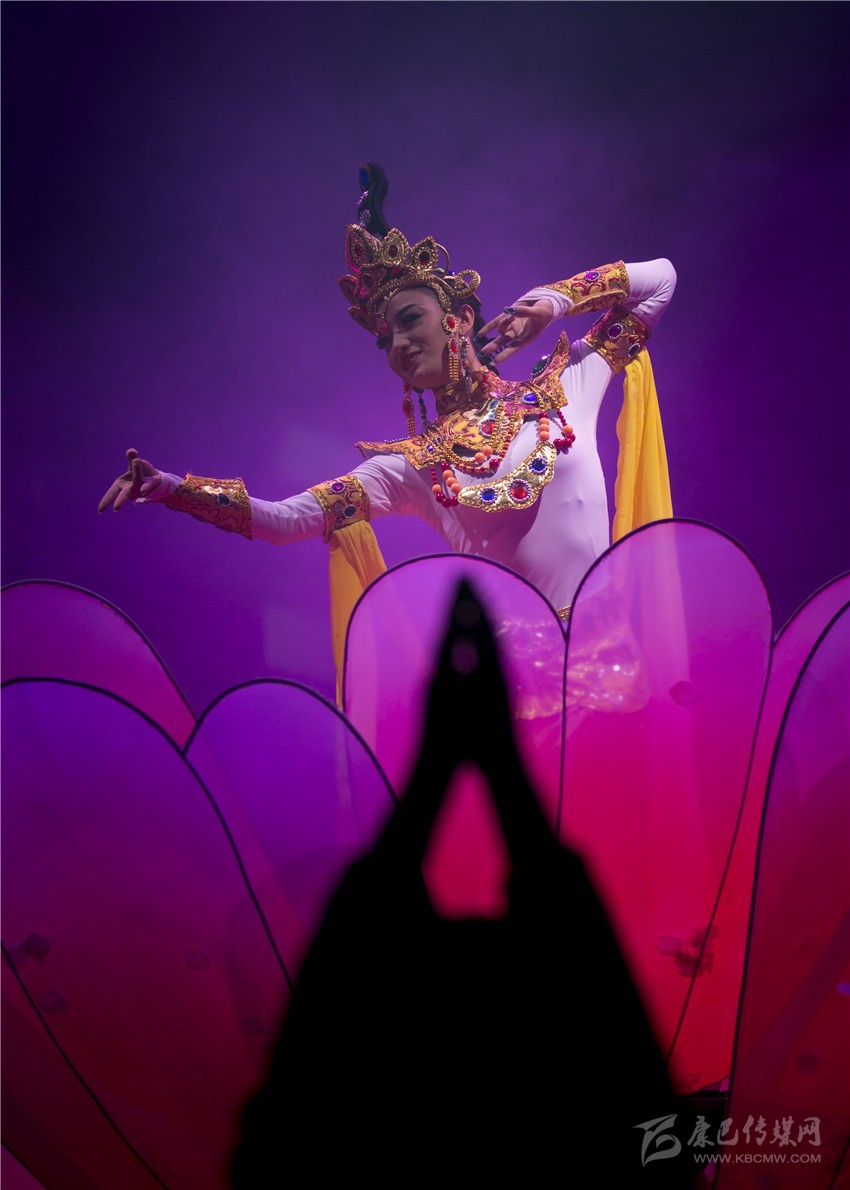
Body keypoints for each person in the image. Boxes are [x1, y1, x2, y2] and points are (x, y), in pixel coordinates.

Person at [99, 162, 676, 698]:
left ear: (460, 318)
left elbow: (660, 282)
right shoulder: (410, 466)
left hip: (617, 678)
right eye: (386, 340)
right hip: (520, 700)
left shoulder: (564, 388)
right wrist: (172, 489)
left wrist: (552, 301)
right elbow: (286, 520)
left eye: (410, 320)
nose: (399, 345)